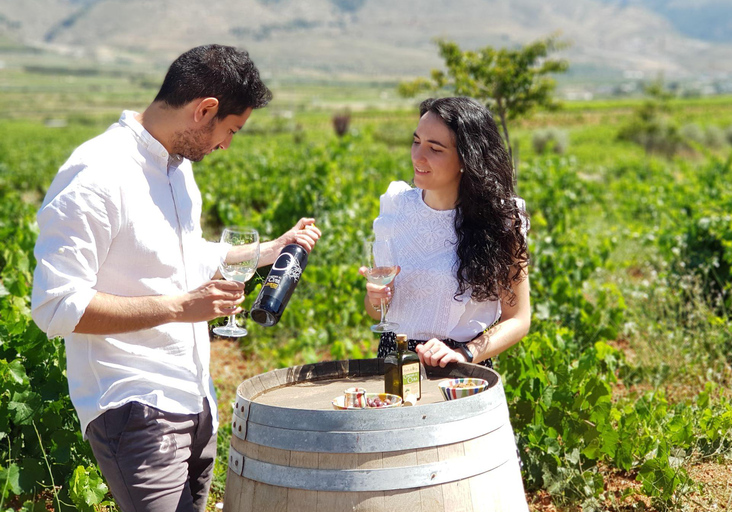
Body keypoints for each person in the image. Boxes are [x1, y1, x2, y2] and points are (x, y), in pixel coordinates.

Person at [31, 44, 321, 512]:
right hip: (135, 405)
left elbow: (182, 257)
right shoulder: (96, 175)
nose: (227, 144)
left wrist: (267, 251)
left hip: (195, 397)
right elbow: (55, 307)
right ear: (204, 110)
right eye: (230, 129)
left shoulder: (177, 170)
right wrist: (181, 307)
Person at [361, 96, 531, 370]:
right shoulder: (396, 207)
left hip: (461, 368)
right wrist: (376, 299)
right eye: (416, 142)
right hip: (394, 359)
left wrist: (464, 353)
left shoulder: (500, 220)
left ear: (467, 158)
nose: (418, 156)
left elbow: (518, 319)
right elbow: (376, 312)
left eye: (435, 149)